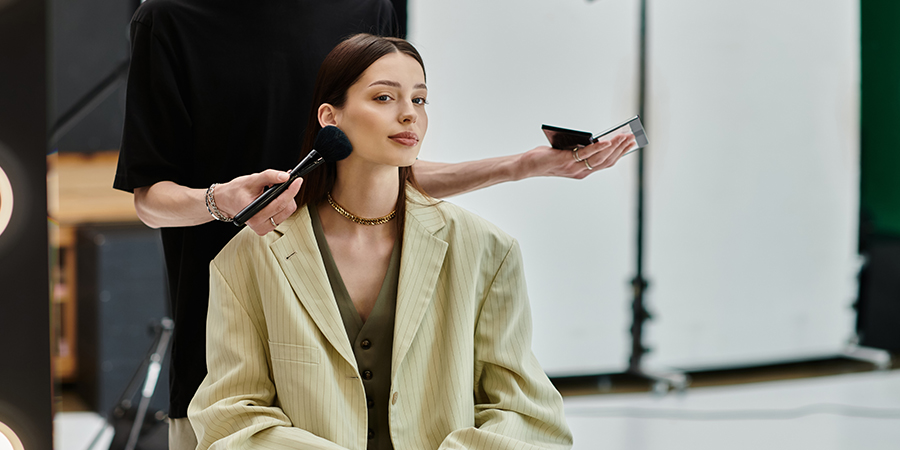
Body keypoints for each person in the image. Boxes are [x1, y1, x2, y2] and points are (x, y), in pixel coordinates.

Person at [112, 1, 633, 448]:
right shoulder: (168, 19)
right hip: (230, 331)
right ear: (328, 114)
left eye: (419, 100)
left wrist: (523, 165)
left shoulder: (368, 7)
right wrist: (220, 202)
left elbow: (382, 164)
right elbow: (151, 198)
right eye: (386, 97)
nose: (408, 112)